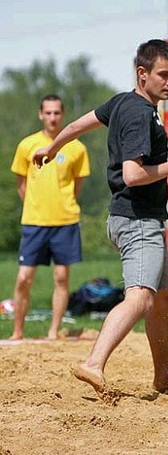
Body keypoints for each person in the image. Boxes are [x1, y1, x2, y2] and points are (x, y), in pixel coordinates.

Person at [33, 39, 168, 396]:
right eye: (163, 75)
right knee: (141, 298)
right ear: (142, 73)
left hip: (140, 218)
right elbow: (133, 174)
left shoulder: (122, 102)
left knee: (163, 296)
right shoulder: (137, 112)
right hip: (137, 221)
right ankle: (93, 362)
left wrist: (52, 146)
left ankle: (163, 373)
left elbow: (77, 125)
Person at [9, 94, 90, 341]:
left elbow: (78, 186)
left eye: (57, 113)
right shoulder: (26, 145)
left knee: (62, 277)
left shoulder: (76, 147)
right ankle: (17, 332)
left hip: (65, 220)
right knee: (24, 278)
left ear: (63, 115)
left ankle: (53, 332)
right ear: (40, 114)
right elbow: (21, 185)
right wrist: (35, 206)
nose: (52, 117)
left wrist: (62, 204)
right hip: (34, 221)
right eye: (48, 113)